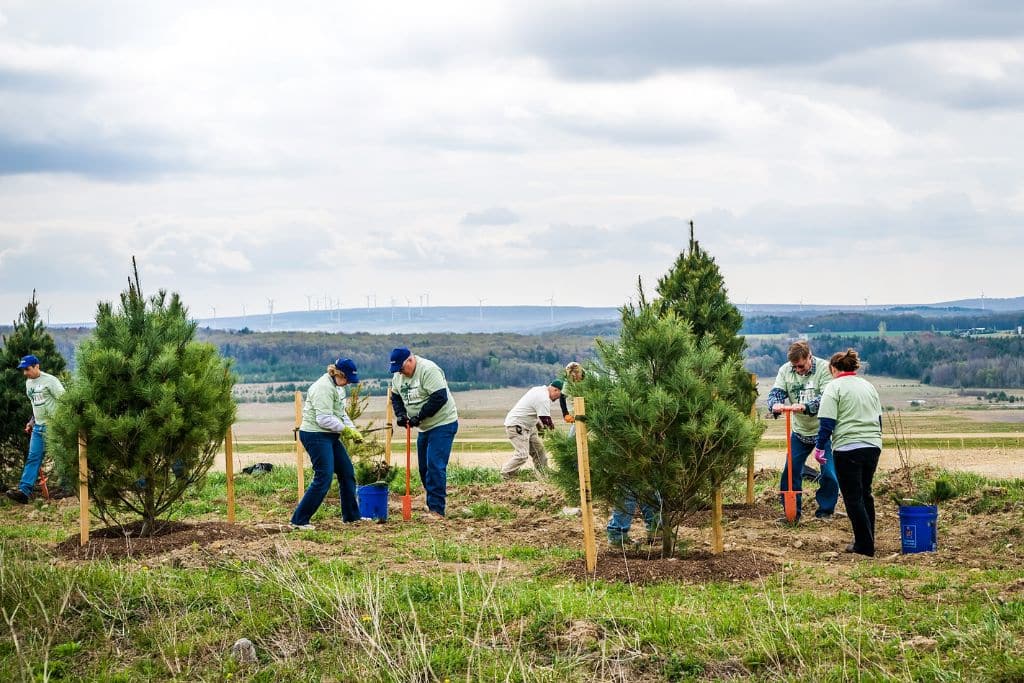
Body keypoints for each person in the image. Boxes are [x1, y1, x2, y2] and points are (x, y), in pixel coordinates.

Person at [813, 349, 883, 557]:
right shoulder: (868, 386)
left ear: (833, 369)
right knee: (865, 494)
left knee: (853, 498)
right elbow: (879, 419)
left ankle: (864, 545)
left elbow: (827, 422)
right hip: (872, 444)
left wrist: (819, 447)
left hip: (847, 447)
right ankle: (868, 538)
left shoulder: (833, 387)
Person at [766, 340, 840, 521]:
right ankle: (792, 514)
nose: (798, 370)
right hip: (799, 431)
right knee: (790, 472)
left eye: (801, 366)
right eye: (795, 367)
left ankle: (825, 511)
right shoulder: (785, 370)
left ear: (809, 356)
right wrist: (775, 404)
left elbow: (826, 398)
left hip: (824, 430)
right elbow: (776, 391)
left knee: (829, 472)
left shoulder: (824, 368)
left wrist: (806, 406)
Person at [290, 358, 364, 530]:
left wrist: (354, 430)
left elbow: (341, 413)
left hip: (329, 435)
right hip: (315, 435)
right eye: (347, 380)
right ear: (338, 374)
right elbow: (323, 419)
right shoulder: (322, 388)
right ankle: (299, 520)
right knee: (324, 477)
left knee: (347, 472)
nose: (347, 384)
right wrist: (346, 431)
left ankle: (352, 517)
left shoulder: (337, 388)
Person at [389, 347, 459, 517]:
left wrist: (419, 417)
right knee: (424, 468)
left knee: (435, 465)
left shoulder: (428, 370)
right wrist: (401, 415)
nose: (400, 373)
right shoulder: (398, 375)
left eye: (402, 368)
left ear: (410, 360)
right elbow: (396, 396)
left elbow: (439, 397)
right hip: (424, 427)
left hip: (443, 423)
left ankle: (436, 510)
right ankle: (433, 502)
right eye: (397, 370)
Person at [6, 355, 65, 504]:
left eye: (28, 369)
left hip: (54, 426)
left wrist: (63, 423)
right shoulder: (28, 384)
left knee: (62, 457)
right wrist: (32, 422)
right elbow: (35, 406)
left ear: (37, 366)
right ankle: (24, 492)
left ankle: (69, 488)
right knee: (33, 458)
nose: (25, 373)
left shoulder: (51, 381)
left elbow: (65, 400)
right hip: (38, 428)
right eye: (23, 370)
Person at [500, 380, 563, 479]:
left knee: (539, 451)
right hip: (517, 426)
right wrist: (557, 438)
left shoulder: (538, 390)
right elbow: (546, 421)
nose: (557, 399)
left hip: (528, 426)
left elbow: (534, 412)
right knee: (522, 455)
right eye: (559, 396)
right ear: (556, 390)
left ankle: (544, 475)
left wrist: (539, 428)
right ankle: (505, 473)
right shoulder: (543, 398)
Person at [559, 362, 584, 426]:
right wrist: (565, 414)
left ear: (580, 371)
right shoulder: (568, 382)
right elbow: (562, 397)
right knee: (573, 435)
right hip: (578, 413)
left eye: (576, 376)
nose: (574, 379)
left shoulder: (592, 377)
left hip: (593, 412)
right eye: (572, 377)